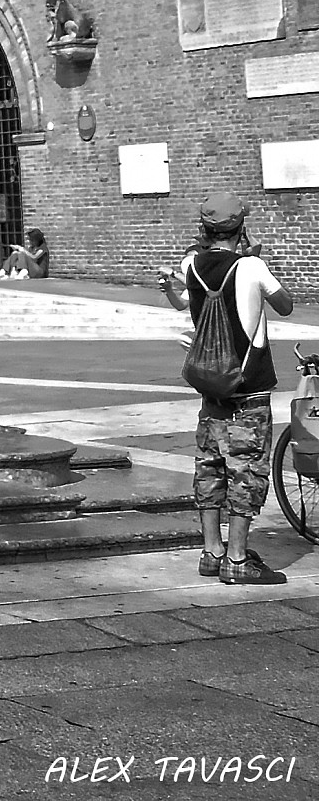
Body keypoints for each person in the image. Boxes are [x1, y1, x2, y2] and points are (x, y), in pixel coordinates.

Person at [159, 196, 295, 586]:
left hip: (210, 382)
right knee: (247, 468)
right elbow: (284, 305)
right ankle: (236, 559)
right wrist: (255, 262)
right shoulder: (251, 266)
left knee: (210, 464)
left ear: (205, 230)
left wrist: (171, 288)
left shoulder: (192, 265)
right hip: (248, 385)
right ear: (240, 229)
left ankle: (211, 551)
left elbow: (183, 303)